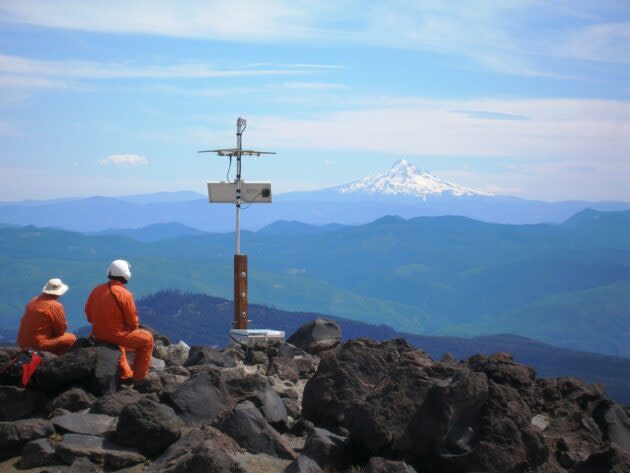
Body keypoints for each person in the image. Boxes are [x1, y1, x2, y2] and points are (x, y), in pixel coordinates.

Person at [84, 260, 153, 382]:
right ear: (126, 275)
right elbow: (132, 321)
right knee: (147, 339)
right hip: (116, 335)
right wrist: (131, 331)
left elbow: (88, 314)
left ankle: (125, 373)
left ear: (110, 272)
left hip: (97, 334)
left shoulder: (97, 289)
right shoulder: (125, 294)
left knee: (118, 345)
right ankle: (139, 378)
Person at [17, 278, 77, 355]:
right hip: (38, 345)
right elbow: (60, 331)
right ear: (58, 293)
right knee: (71, 338)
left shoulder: (34, 300)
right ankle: (57, 359)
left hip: (22, 343)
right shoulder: (55, 306)